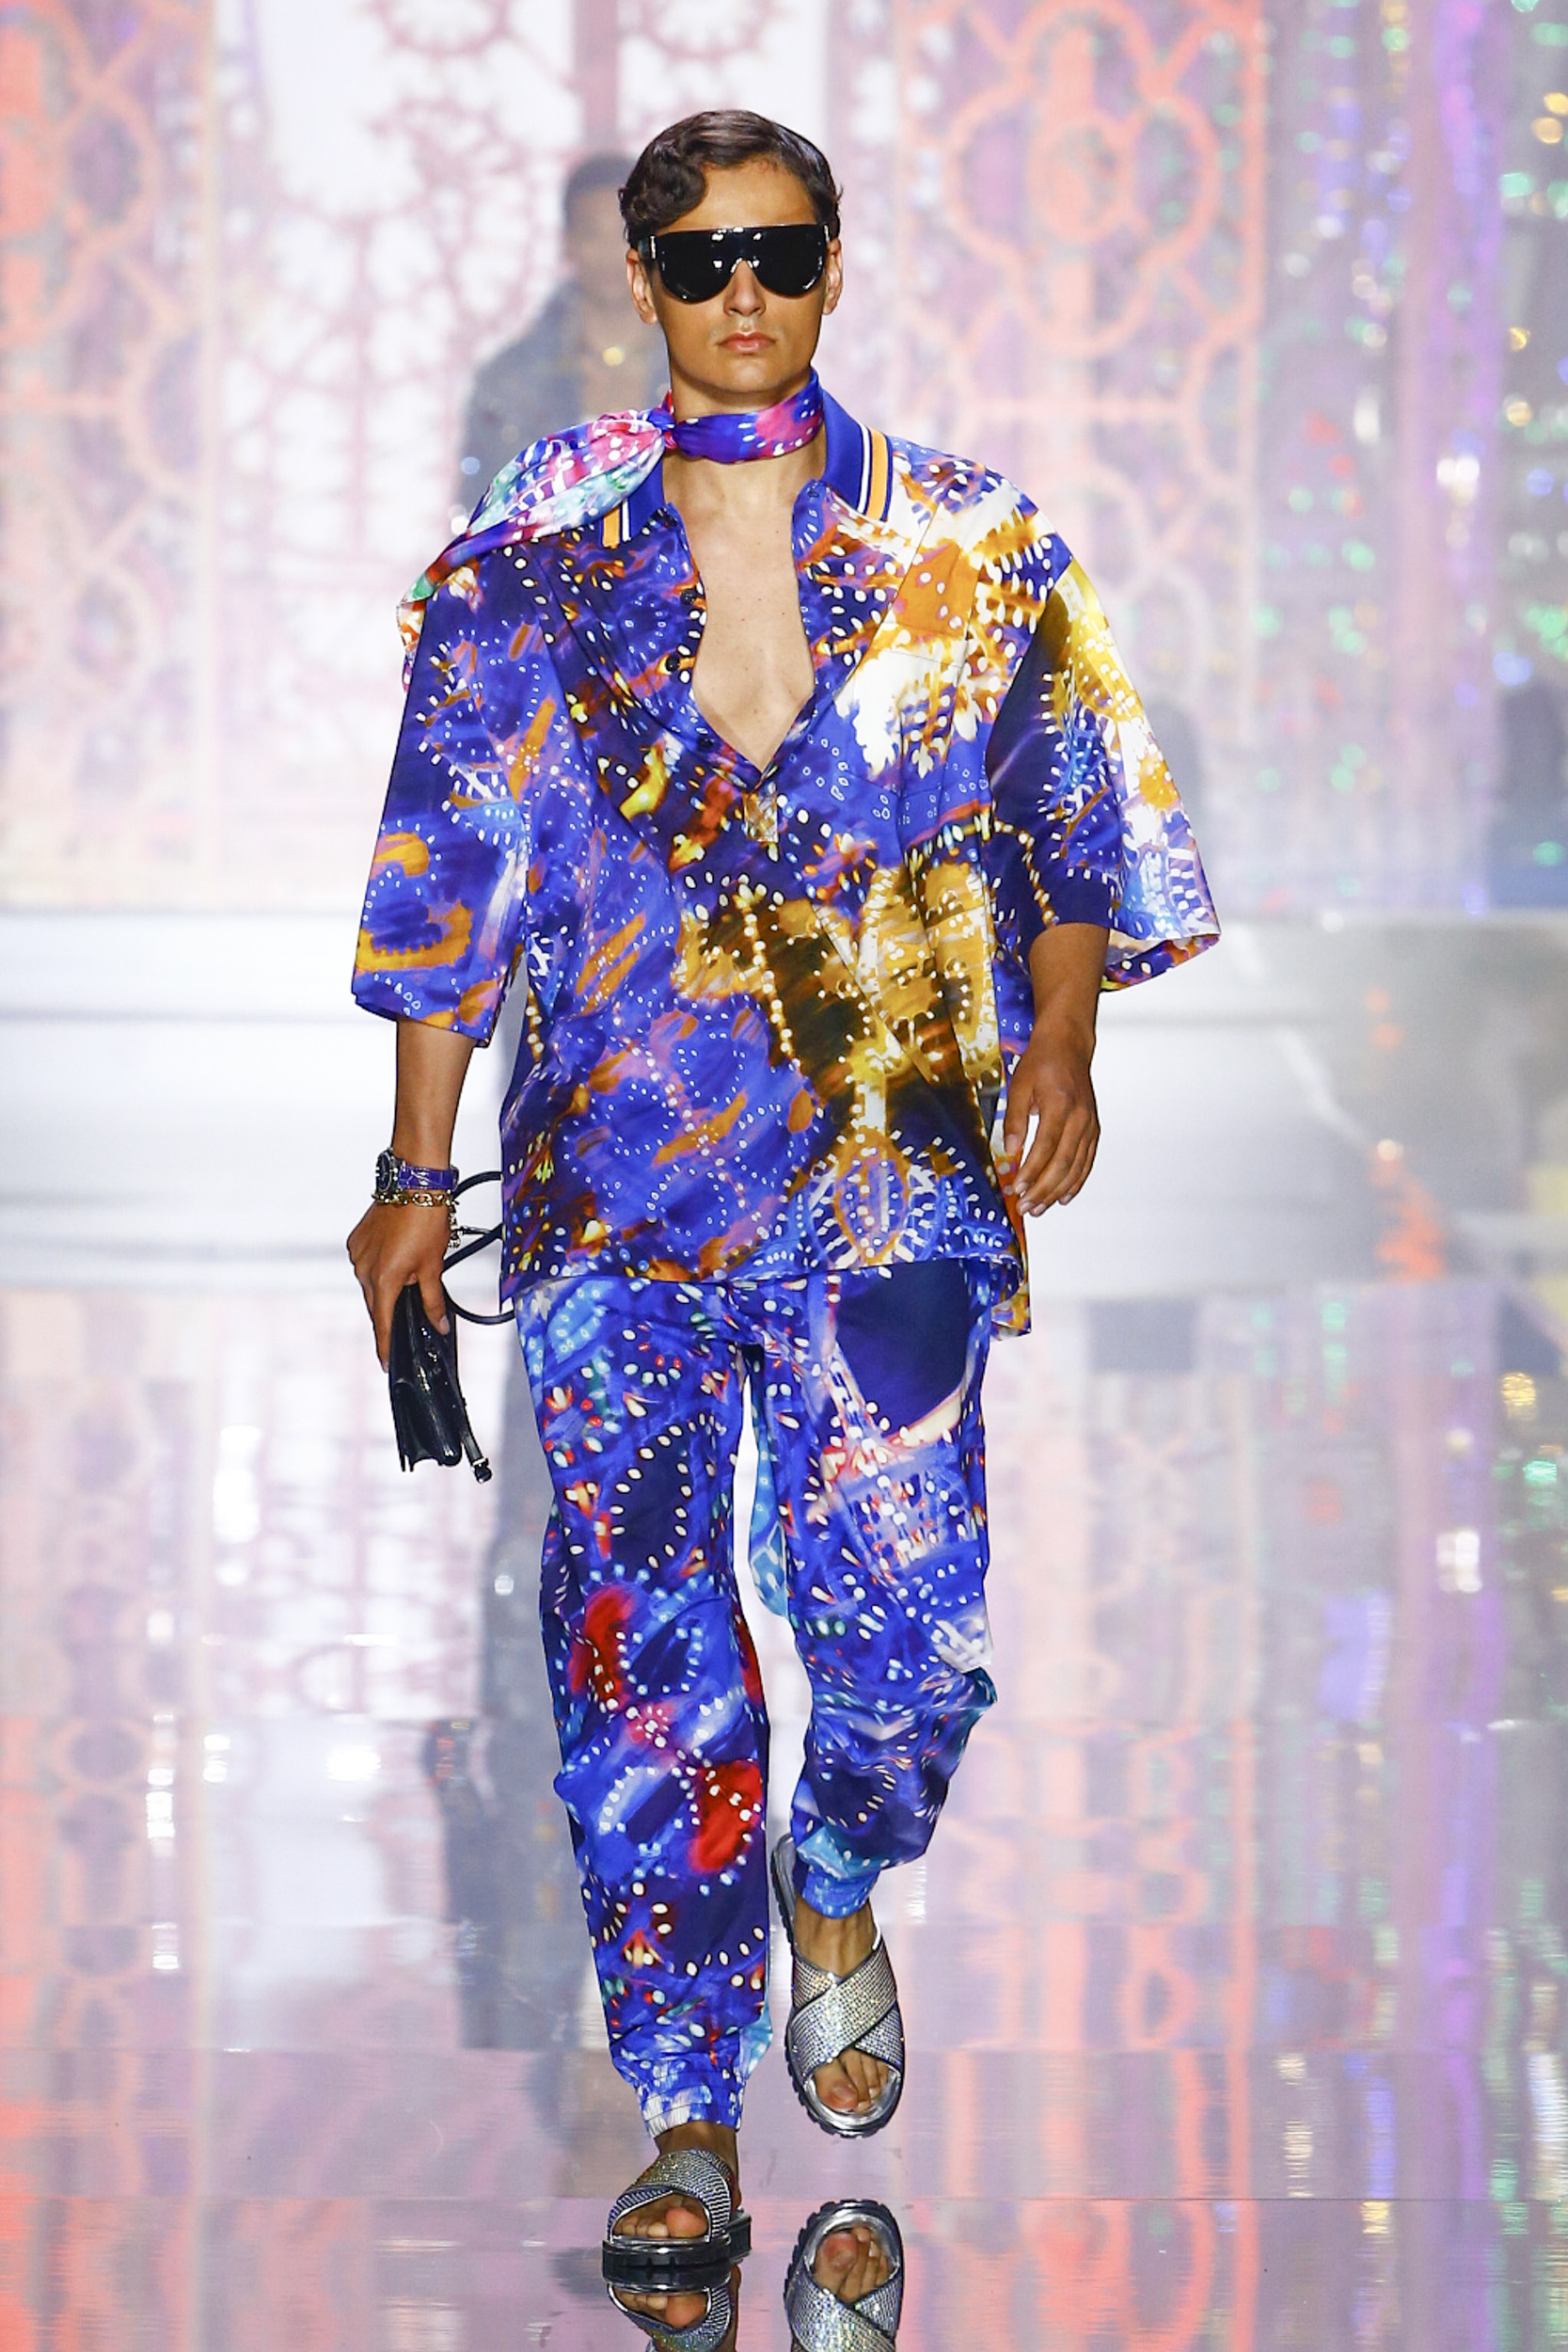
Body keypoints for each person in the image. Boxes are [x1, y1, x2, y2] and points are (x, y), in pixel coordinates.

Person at [348, 108, 1217, 2290]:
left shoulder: (975, 539)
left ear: (836, 265)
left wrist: (1060, 1039)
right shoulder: (530, 553)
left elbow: (1078, 818)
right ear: (642, 276)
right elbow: (449, 872)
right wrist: (408, 1171)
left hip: (887, 1189)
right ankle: (679, 2106)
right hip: (613, 1186)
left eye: (780, 251)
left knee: (906, 1646)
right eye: (699, 255)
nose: (742, 291)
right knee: (639, 1653)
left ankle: (832, 1877)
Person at [457, 151, 664, 513]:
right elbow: (482, 518)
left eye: (622, 235)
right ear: (568, 243)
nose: (609, 253)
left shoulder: (699, 368)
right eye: (592, 233)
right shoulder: (511, 383)